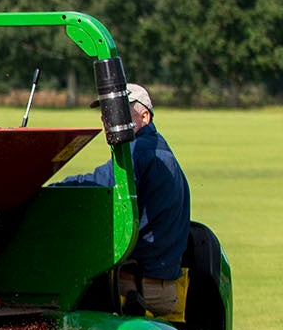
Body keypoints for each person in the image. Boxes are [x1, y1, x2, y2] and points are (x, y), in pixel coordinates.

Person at [59, 82, 191, 316]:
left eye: (117, 111)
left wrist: (48, 190)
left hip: (137, 286)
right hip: (161, 284)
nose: (107, 118)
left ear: (144, 116)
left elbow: (100, 184)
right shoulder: (157, 148)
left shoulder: (139, 151)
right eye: (106, 112)